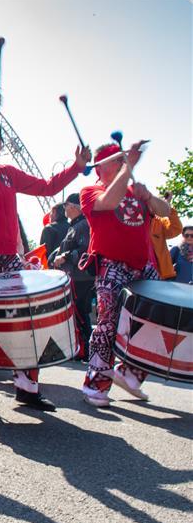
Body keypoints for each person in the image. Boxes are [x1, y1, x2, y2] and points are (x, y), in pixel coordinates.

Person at [0, 90, 90, 413]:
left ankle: (27, 387)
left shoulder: (8, 173)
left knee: (26, 321)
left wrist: (77, 167)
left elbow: (48, 187)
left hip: (9, 260)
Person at [80, 141, 171, 407]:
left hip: (145, 267)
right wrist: (129, 166)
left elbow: (164, 211)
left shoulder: (135, 190)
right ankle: (95, 385)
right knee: (108, 324)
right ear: (102, 167)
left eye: (124, 160)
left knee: (160, 320)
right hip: (111, 265)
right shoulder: (91, 190)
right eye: (118, 160)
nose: (123, 163)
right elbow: (109, 201)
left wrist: (149, 198)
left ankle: (130, 373)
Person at [49, 193, 93, 358]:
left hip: (80, 277)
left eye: (66, 205)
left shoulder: (83, 225)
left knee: (80, 312)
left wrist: (65, 256)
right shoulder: (77, 225)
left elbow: (85, 250)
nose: (64, 208)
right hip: (75, 276)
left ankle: (85, 350)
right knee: (77, 313)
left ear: (75, 207)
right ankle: (80, 349)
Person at [149, 202, 183, 280]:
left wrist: (167, 206)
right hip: (140, 272)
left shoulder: (160, 222)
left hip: (162, 275)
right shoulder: (131, 222)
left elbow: (176, 229)